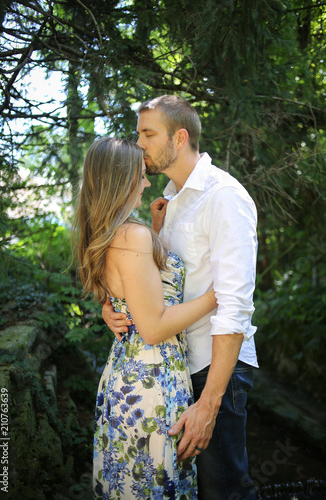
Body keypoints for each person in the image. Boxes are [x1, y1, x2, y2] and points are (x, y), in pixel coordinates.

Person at [102, 95, 259, 500]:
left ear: (180, 137)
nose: (139, 144)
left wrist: (209, 403)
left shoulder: (224, 197)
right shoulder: (166, 201)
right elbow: (148, 281)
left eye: (148, 134)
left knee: (225, 489)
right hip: (171, 372)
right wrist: (114, 307)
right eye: (138, 134)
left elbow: (235, 307)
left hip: (213, 366)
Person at [73, 137, 218, 499]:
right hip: (151, 382)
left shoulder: (110, 235)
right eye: (140, 174)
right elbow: (153, 327)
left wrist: (155, 230)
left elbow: (136, 292)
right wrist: (217, 297)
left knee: (131, 485)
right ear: (120, 181)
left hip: (125, 377)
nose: (147, 181)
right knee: (153, 484)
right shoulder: (132, 237)